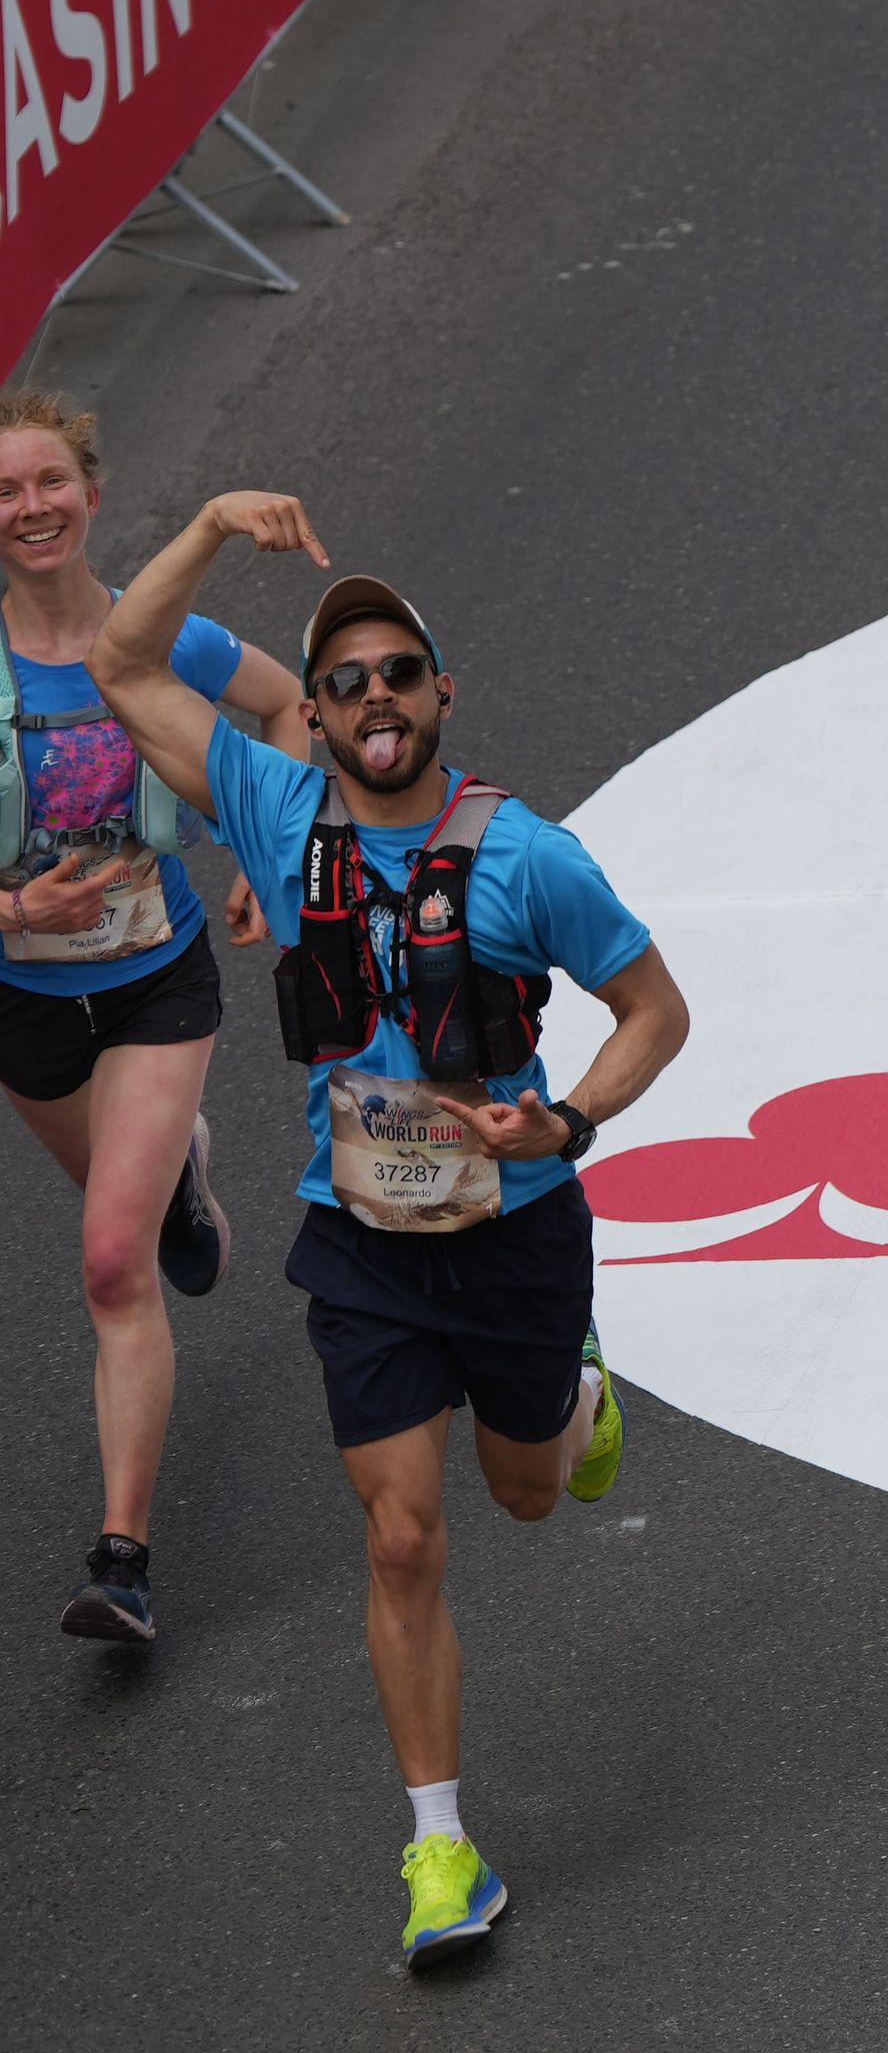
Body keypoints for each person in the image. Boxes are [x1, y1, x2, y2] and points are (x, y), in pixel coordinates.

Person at [89, 494, 693, 1969]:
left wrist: (571, 1120)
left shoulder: (529, 857)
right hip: (358, 1239)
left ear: (442, 696)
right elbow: (122, 661)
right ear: (315, 711)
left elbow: (654, 1011)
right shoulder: (274, 807)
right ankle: (440, 1848)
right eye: (345, 679)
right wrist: (210, 527)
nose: (375, 697)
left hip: (516, 1234)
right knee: (403, 1534)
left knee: (529, 1494)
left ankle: (575, 1392)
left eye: (400, 673)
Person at [0, 394, 300, 1642]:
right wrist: (14, 911)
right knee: (128, 1204)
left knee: (113, 1262)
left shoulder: (158, 636)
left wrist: (268, 857)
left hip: (156, 985)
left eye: (49, 483)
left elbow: (291, 707)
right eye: (5, 494)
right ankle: (181, 1169)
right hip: (22, 1000)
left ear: (92, 492)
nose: (31, 510)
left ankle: (120, 1562)